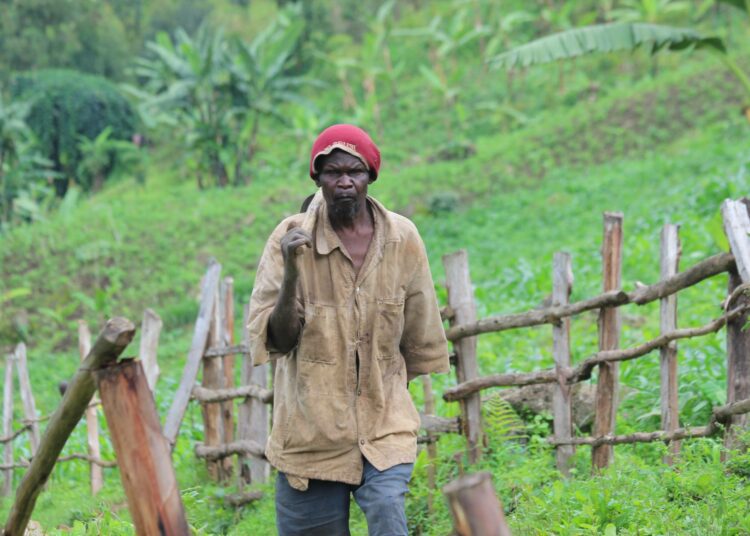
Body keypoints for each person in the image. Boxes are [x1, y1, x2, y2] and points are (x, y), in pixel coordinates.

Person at [247, 124, 449, 536]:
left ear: (369, 177)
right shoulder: (288, 238)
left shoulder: (402, 238)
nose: (343, 182)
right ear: (317, 180)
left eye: (353, 172)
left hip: (383, 424)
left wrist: (388, 386)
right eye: (332, 172)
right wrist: (291, 272)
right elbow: (278, 339)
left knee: (388, 509)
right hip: (310, 433)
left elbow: (419, 328)